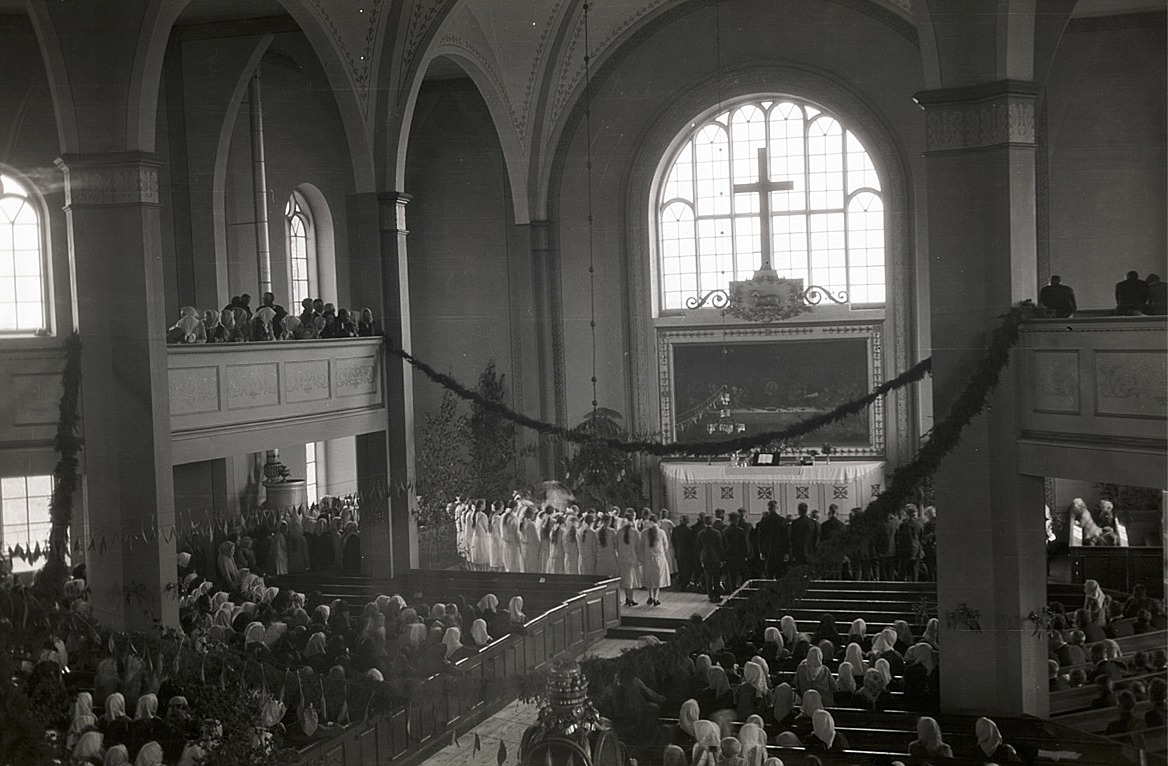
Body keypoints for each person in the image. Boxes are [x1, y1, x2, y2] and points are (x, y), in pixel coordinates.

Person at [639, 515, 671, 606]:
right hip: (659, 558)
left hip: (648, 557)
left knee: (649, 576)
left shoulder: (644, 533)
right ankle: (656, 597)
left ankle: (650, 596)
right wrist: (661, 553)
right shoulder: (661, 532)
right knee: (658, 577)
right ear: (657, 522)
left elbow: (641, 546)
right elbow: (665, 546)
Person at [755, 500, 790, 578]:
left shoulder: (764, 520)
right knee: (779, 572)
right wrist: (786, 551)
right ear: (777, 508)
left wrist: (761, 550)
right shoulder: (782, 520)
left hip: (768, 549)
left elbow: (760, 537)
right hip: (780, 549)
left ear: (769, 508)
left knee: (769, 572)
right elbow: (785, 537)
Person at [697, 516, 726, 603]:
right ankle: (717, 595)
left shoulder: (701, 533)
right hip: (715, 557)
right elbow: (720, 547)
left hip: (705, 557)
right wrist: (722, 559)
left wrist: (701, 558)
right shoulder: (716, 533)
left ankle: (710, 596)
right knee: (716, 577)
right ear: (712, 522)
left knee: (708, 578)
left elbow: (698, 547)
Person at [616, 516, 641, 606]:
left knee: (626, 578)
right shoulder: (634, 532)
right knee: (631, 579)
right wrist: (639, 558)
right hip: (631, 558)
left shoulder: (619, 532)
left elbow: (616, 544)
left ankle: (627, 597)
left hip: (622, 558)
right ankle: (630, 598)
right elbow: (638, 546)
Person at [722, 511, 750, 592]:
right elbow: (744, 545)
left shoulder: (725, 531)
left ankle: (732, 593)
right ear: (737, 519)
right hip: (739, 556)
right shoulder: (740, 531)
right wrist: (746, 555)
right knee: (745, 575)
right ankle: (744, 591)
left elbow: (722, 545)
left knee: (731, 577)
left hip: (729, 556)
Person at [672, 515, 696, 591]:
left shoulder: (675, 529)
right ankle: (685, 585)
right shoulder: (689, 530)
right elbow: (692, 543)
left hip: (679, 552)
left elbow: (673, 540)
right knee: (687, 570)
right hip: (687, 553)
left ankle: (680, 584)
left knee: (680, 569)